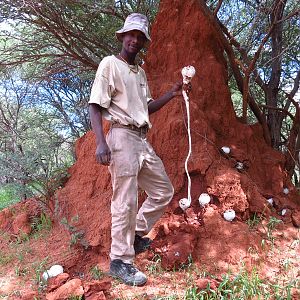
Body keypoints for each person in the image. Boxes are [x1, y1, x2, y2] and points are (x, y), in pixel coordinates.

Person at [89, 13, 186, 286]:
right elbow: (94, 105)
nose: (134, 40)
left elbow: (146, 108)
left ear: (144, 41)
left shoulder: (140, 72)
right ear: (122, 36)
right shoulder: (110, 64)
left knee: (163, 190)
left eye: (139, 36)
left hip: (142, 139)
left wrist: (172, 93)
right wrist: (100, 142)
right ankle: (120, 260)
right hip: (121, 137)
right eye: (130, 35)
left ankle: (133, 235)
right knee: (125, 201)